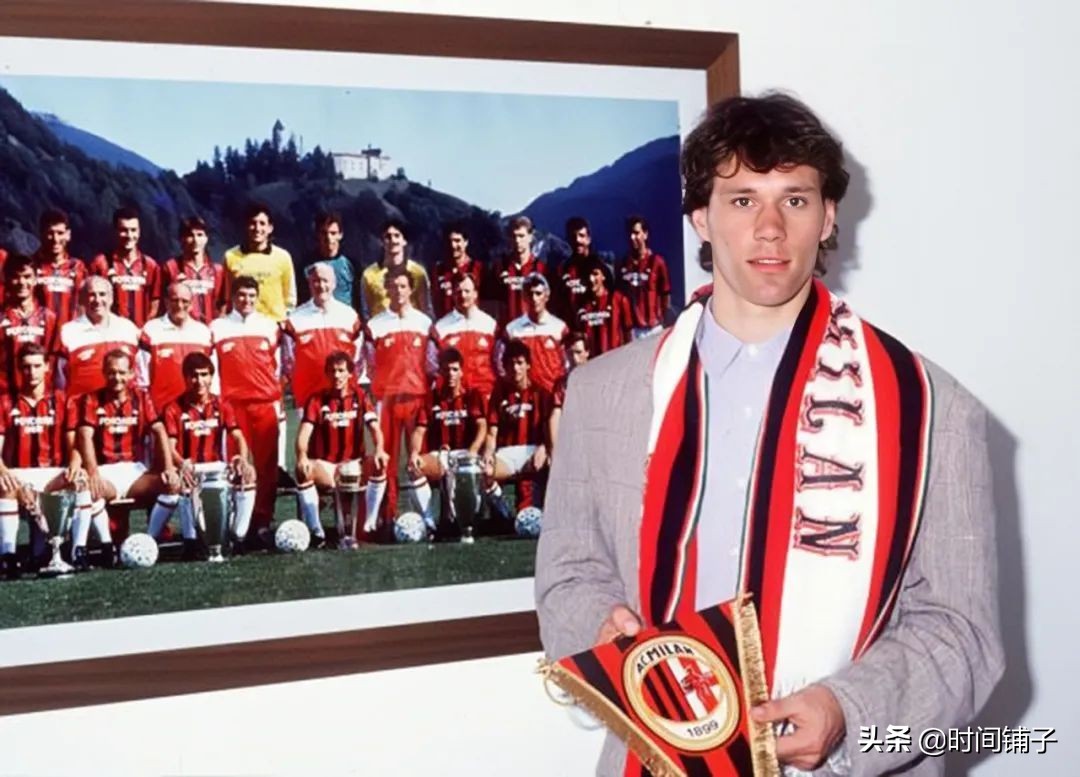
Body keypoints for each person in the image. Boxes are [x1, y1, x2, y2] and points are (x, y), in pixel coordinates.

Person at [534, 94, 1003, 777]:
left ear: (829, 215)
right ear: (701, 216)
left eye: (796, 200)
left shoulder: (932, 408)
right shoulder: (603, 393)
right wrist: (601, 630)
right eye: (743, 200)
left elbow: (962, 633)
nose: (770, 229)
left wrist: (847, 711)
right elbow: (569, 574)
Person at [72, 349, 177, 570]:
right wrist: (93, 472)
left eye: (121, 372)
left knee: (172, 486)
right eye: (111, 372)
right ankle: (106, 546)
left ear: (131, 373)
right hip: (106, 470)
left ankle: (148, 540)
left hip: (134, 472)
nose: (116, 378)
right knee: (88, 490)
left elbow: (159, 430)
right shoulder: (92, 399)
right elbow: (84, 435)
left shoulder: (141, 397)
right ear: (104, 373)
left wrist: (169, 467)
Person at [149, 352, 256, 558]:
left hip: (216, 467)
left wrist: (242, 459)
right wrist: (181, 464)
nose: (199, 381)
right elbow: (170, 446)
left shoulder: (222, 404)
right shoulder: (173, 408)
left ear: (211, 377)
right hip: (189, 466)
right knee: (185, 482)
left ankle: (238, 537)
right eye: (194, 375)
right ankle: (191, 542)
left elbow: (238, 437)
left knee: (249, 476)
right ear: (186, 378)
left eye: (204, 375)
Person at [210, 276, 283, 548]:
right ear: (232, 297)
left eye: (252, 295)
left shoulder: (269, 327)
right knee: (235, 464)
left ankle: (262, 522)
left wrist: (276, 401)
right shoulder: (217, 328)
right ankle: (234, 524)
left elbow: (279, 367)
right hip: (232, 405)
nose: (247, 300)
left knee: (267, 467)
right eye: (241, 295)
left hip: (264, 404)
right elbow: (214, 370)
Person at [363, 267, 436, 528]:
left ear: (411, 289)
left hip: (417, 399)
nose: (398, 291)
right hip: (387, 401)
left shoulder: (424, 323)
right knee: (386, 461)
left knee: (419, 459)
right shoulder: (375, 325)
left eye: (403, 286)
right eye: (393, 286)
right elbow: (369, 364)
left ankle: (428, 520)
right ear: (386, 289)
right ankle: (387, 517)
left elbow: (432, 364)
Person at [0, 344, 80, 579]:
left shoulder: (62, 400)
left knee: (80, 483)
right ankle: (8, 556)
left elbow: (74, 445)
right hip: (19, 471)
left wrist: (76, 464)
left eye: (37, 366)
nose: (31, 372)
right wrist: (3, 471)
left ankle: (78, 552)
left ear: (47, 367)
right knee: (4, 486)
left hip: (52, 472)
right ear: (19, 369)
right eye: (26, 367)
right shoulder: (5, 401)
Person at [295, 351, 389, 548]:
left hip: (355, 464)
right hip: (327, 466)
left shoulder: (360, 396)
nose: (336, 376)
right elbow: (303, 435)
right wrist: (302, 456)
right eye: (332, 371)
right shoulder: (317, 400)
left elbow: (375, 428)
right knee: (302, 471)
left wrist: (380, 449)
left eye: (341, 371)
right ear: (326, 374)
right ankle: (317, 532)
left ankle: (370, 524)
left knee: (380, 463)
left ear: (350, 374)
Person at [408, 347, 487, 534]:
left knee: (470, 470)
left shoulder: (471, 395)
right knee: (414, 469)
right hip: (441, 454)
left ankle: (472, 519)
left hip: (466, 453)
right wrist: (414, 453)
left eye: (454, 369)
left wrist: (473, 450)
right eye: (446, 370)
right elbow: (419, 431)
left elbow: (482, 426)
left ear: (461, 371)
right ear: (440, 372)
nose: (450, 374)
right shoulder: (431, 398)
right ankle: (430, 523)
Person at [482, 339, 554, 518]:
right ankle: (504, 514)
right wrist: (488, 454)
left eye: (520, 363)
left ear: (528, 365)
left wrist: (544, 448)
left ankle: (544, 512)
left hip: (532, 450)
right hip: (507, 453)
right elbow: (492, 432)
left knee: (551, 465)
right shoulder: (499, 394)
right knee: (484, 472)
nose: (515, 368)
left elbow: (550, 429)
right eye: (511, 363)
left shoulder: (541, 393)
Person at [281, 262, 363, 415]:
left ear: (334, 283)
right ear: (309, 283)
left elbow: (358, 359)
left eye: (325, 280)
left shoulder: (349, 316)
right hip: (307, 395)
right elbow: (288, 361)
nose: (321, 285)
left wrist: (348, 385)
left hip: (343, 396)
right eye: (316, 281)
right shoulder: (295, 319)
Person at [57, 277, 140, 400]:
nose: (97, 300)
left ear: (111, 298)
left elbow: (140, 373)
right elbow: (59, 380)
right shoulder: (67, 332)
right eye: (92, 295)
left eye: (102, 294)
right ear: (82, 299)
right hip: (81, 406)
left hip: (122, 407)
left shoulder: (128, 328)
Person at [136, 282, 213, 413]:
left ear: (192, 304)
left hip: (194, 412)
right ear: (166, 302)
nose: (180, 306)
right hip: (160, 409)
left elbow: (212, 379)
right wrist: (149, 413)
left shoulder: (204, 332)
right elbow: (141, 379)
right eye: (174, 300)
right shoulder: (151, 330)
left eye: (185, 301)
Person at [222, 202, 296, 322]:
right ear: (246, 226)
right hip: (243, 324)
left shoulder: (283, 257)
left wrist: (286, 319)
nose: (257, 228)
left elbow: (290, 296)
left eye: (262, 223)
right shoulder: (231, 256)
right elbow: (227, 297)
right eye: (253, 223)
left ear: (270, 228)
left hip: (275, 323)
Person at [89, 207, 161, 327]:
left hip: (140, 332)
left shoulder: (151, 265)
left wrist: (146, 328)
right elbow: (89, 301)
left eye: (133, 230)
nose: (129, 235)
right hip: (110, 332)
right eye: (124, 230)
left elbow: (155, 302)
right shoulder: (100, 263)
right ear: (114, 231)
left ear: (139, 232)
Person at [432, 273, 498, 402]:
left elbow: (498, 363)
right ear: (452, 294)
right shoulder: (441, 328)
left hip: (485, 396)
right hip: (454, 398)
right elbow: (434, 367)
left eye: (467, 291)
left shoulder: (490, 325)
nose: (463, 295)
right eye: (458, 292)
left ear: (475, 293)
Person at [0, 255, 59, 396]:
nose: (21, 282)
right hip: (5, 396)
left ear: (35, 279)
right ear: (7, 279)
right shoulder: (1, 317)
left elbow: (54, 360)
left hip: (40, 397)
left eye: (27, 277)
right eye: (16, 277)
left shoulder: (49, 317)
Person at [501, 273, 568, 394]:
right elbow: (499, 362)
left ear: (547, 296)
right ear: (524, 297)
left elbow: (568, 364)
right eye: (530, 294)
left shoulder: (559, 328)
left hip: (551, 395)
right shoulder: (512, 330)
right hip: (523, 397)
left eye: (538, 293)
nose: (534, 298)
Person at [359, 218, 432, 319]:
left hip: (411, 325)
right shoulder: (369, 274)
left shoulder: (418, 272)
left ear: (404, 241)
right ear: (382, 241)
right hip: (381, 326)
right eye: (388, 237)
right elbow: (366, 311)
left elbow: (425, 308)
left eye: (397, 236)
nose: (392, 240)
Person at [161, 216, 226, 324]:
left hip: (210, 329)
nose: (195, 240)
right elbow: (163, 304)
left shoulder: (217, 270)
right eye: (190, 235)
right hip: (182, 329)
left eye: (200, 235)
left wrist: (219, 324)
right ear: (182, 239)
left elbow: (223, 304)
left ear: (206, 238)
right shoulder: (171, 267)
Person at [31, 208, 87, 329]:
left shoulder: (78, 267)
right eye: (50, 233)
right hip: (40, 336)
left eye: (60, 233)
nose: (55, 239)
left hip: (70, 335)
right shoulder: (31, 267)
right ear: (41, 234)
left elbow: (84, 305)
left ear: (68, 235)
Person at [618, 214, 671, 338]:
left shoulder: (657, 262)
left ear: (645, 234)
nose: (632, 237)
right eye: (630, 233)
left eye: (636, 233)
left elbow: (665, 294)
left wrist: (662, 319)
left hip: (654, 328)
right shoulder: (623, 264)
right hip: (633, 331)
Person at [297, 212, 358, 309]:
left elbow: (358, 299)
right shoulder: (306, 266)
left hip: (344, 316)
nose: (329, 238)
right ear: (317, 235)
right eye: (324, 233)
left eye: (333, 233)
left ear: (340, 235)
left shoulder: (352, 264)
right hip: (316, 316)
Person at [495, 215, 546, 328]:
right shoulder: (500, 267)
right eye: (514, 236)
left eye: (521, 236)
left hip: (532, 331)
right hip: (507, 331)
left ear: (530, 237)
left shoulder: (541, 269)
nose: (517, 241)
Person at [575, 258, 632, 357]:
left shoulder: (618, 299)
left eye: (595, 274)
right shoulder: (581, 303)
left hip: (615, 359)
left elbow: (628, 332)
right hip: (592, 361)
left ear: (604, 276)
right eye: (588, 274)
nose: (591, 279)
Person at [549, 330, 590, 455]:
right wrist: (554, 450)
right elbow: (555, 416)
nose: (574, 358)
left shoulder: (600, 379)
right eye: (570, 353)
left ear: (587, 352)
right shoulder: (561, 384)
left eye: (578, 352)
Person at [432, 223, 484, 319]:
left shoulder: (478, 268)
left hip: (471, 324)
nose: (453, 245)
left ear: (466, 242)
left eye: (457, 241)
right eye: (450, 241)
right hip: (445, 325)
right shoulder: (438, 270)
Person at [551, 215, 598, 319]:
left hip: (596, 324)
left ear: (589, 239)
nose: (577, 240)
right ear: (567, 240)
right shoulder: (562, 270)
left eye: (581, 235)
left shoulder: (601, 268)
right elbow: (556, 302)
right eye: (573, 236)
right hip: (571, 326)